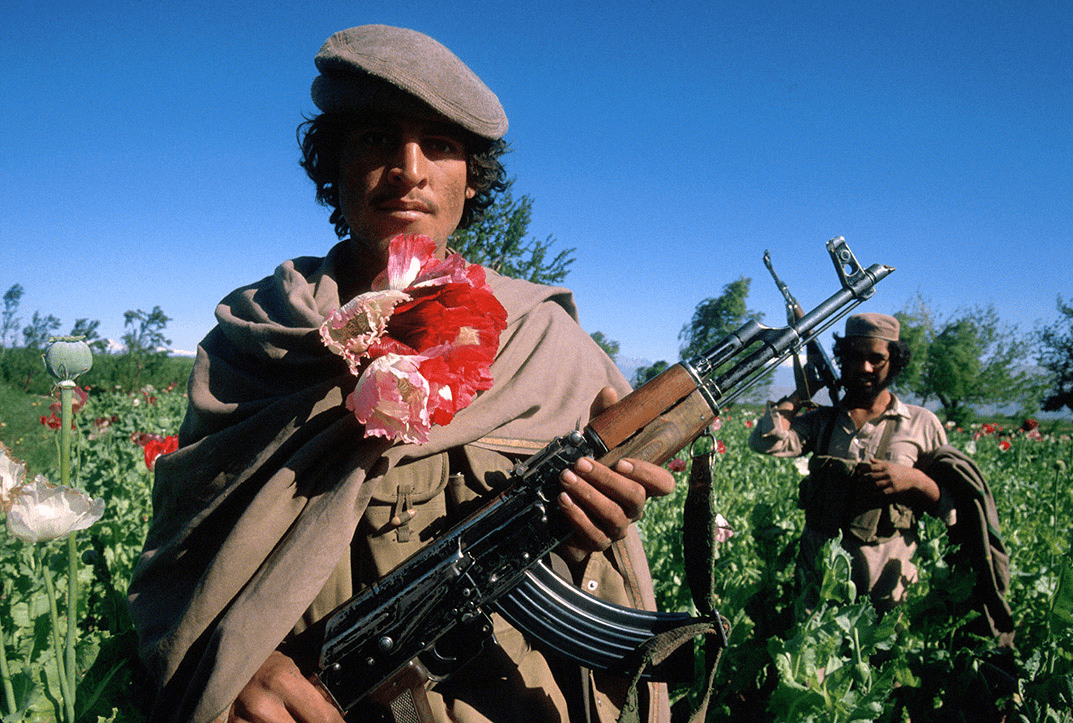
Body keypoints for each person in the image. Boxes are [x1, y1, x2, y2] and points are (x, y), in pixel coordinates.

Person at [127, 24, 675, 723]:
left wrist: (581, 536)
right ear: (336, 162)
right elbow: (181, 567)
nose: (409, 167)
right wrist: (241, 662)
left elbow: (606, 580)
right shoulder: (255, 341)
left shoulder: (548, 343)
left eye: (441, 146)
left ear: (471, 178)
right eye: (377, 138)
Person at [747, 312, 947, 611]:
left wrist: (916, 480)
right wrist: (801, 394)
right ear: (842, 360)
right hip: (819, 575)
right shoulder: (822, 422)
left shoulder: (921, 424)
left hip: (886, 578)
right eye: (854, 356)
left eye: (876, 358)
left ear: (894, 361)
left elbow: (949, 503)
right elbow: (764, 441)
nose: (864, 367)